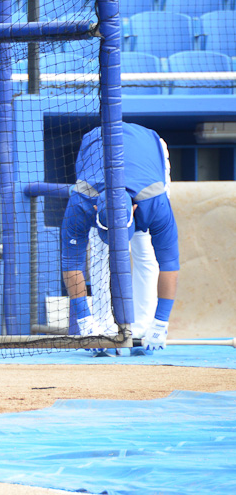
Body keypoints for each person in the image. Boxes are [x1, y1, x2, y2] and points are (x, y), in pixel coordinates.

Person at [60, 122, 179, 357]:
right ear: (95, 210)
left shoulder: (155, 202)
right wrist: (85, 322)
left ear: (134, 210)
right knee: (99, 254)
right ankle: (102, 329)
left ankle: (141, 330)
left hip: (149, 152)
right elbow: (71, 265)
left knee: (145, 252)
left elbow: (170, 264)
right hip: (97, 148)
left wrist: (161, 322)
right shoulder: (81, 202)